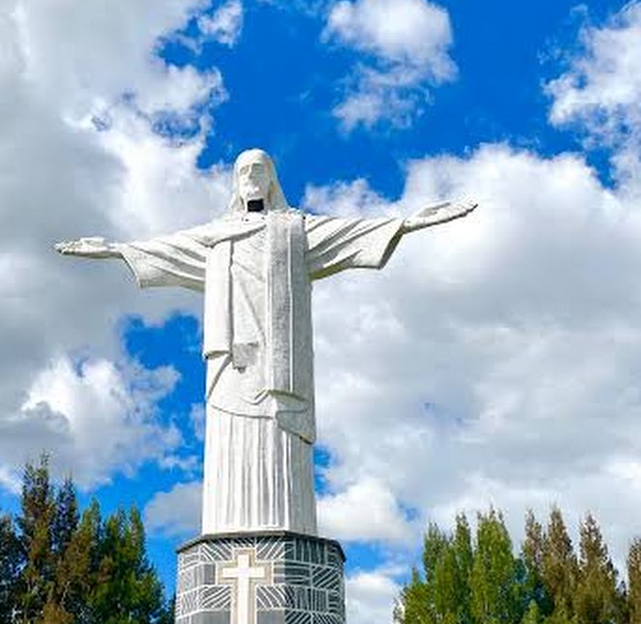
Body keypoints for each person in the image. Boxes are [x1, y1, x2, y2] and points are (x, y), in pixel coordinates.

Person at [57, 149, 476, 537]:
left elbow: (353, 234)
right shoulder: (216, 236)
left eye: (259, 170)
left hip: (281, 369)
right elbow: (162, 249)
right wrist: (114, 250)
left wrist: (407, 222)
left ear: (272, 179)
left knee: (281, 460)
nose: (251, 177)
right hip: (230, 368)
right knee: (229, 454)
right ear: (236, 183)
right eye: (244, 171)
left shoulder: (295, 230)